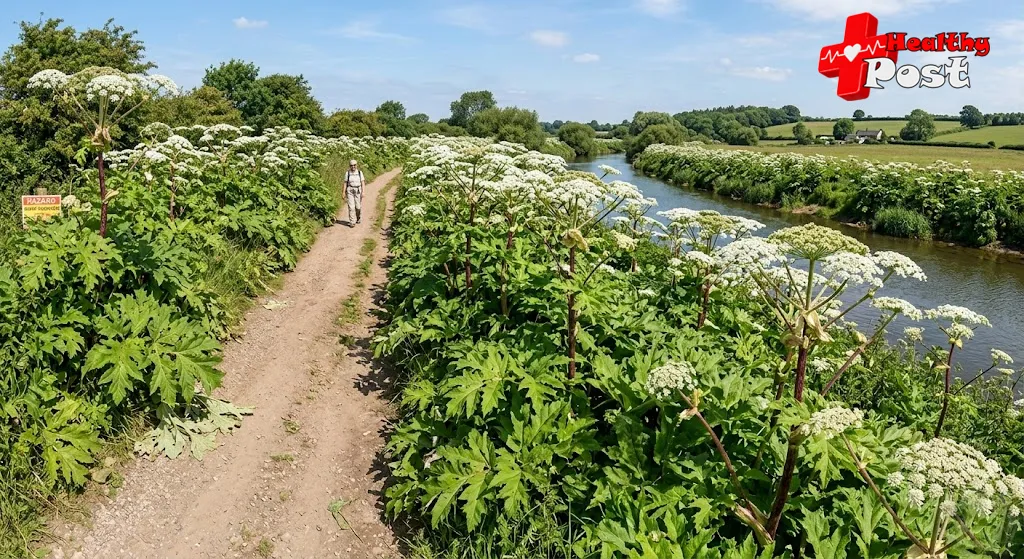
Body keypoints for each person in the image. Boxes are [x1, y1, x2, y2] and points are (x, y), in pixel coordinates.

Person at [343, 159, 364, 226]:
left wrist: (363, 192)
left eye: (354, 165)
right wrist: (343, 192)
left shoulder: (360, 173)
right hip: (350, 190)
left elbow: (363, 183)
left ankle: (358, 218)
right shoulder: (348, 173)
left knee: (358, 207)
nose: (353, 167)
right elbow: (345, 183)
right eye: (351, 165)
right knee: (351, 207)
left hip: (358, 190)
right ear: (349, 166)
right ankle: (352, 222)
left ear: (356, 165)